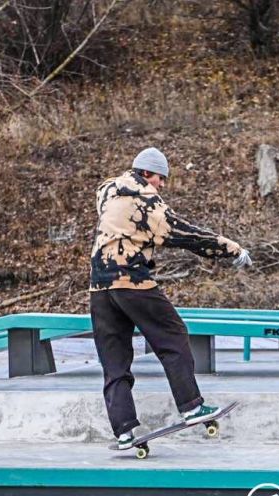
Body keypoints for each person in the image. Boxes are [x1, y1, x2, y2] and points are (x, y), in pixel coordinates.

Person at [89, 147, 253, 450]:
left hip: (99, 289)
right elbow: (187, 235)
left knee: (114, 360)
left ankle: (123, 429)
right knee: (173, 337)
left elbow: (109, 202)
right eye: (160, 178)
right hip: (133, 282)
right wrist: (232, 250)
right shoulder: (148, 205)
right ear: (146, 174)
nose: (162, 184)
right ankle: (191, 406)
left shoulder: (107, 192)